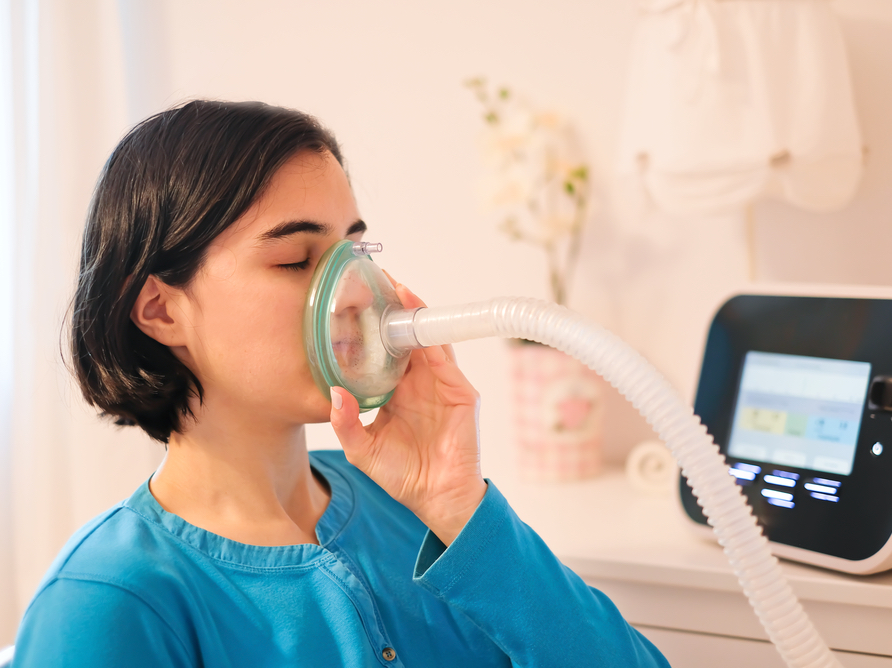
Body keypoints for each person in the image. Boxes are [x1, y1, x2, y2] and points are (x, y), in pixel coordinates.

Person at [12, 100, 669, 667]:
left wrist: (461, 510)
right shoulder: (110, 602)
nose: (353, 296)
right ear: (161, 309)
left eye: (355, 254)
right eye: (296, 260)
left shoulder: (413, 509)